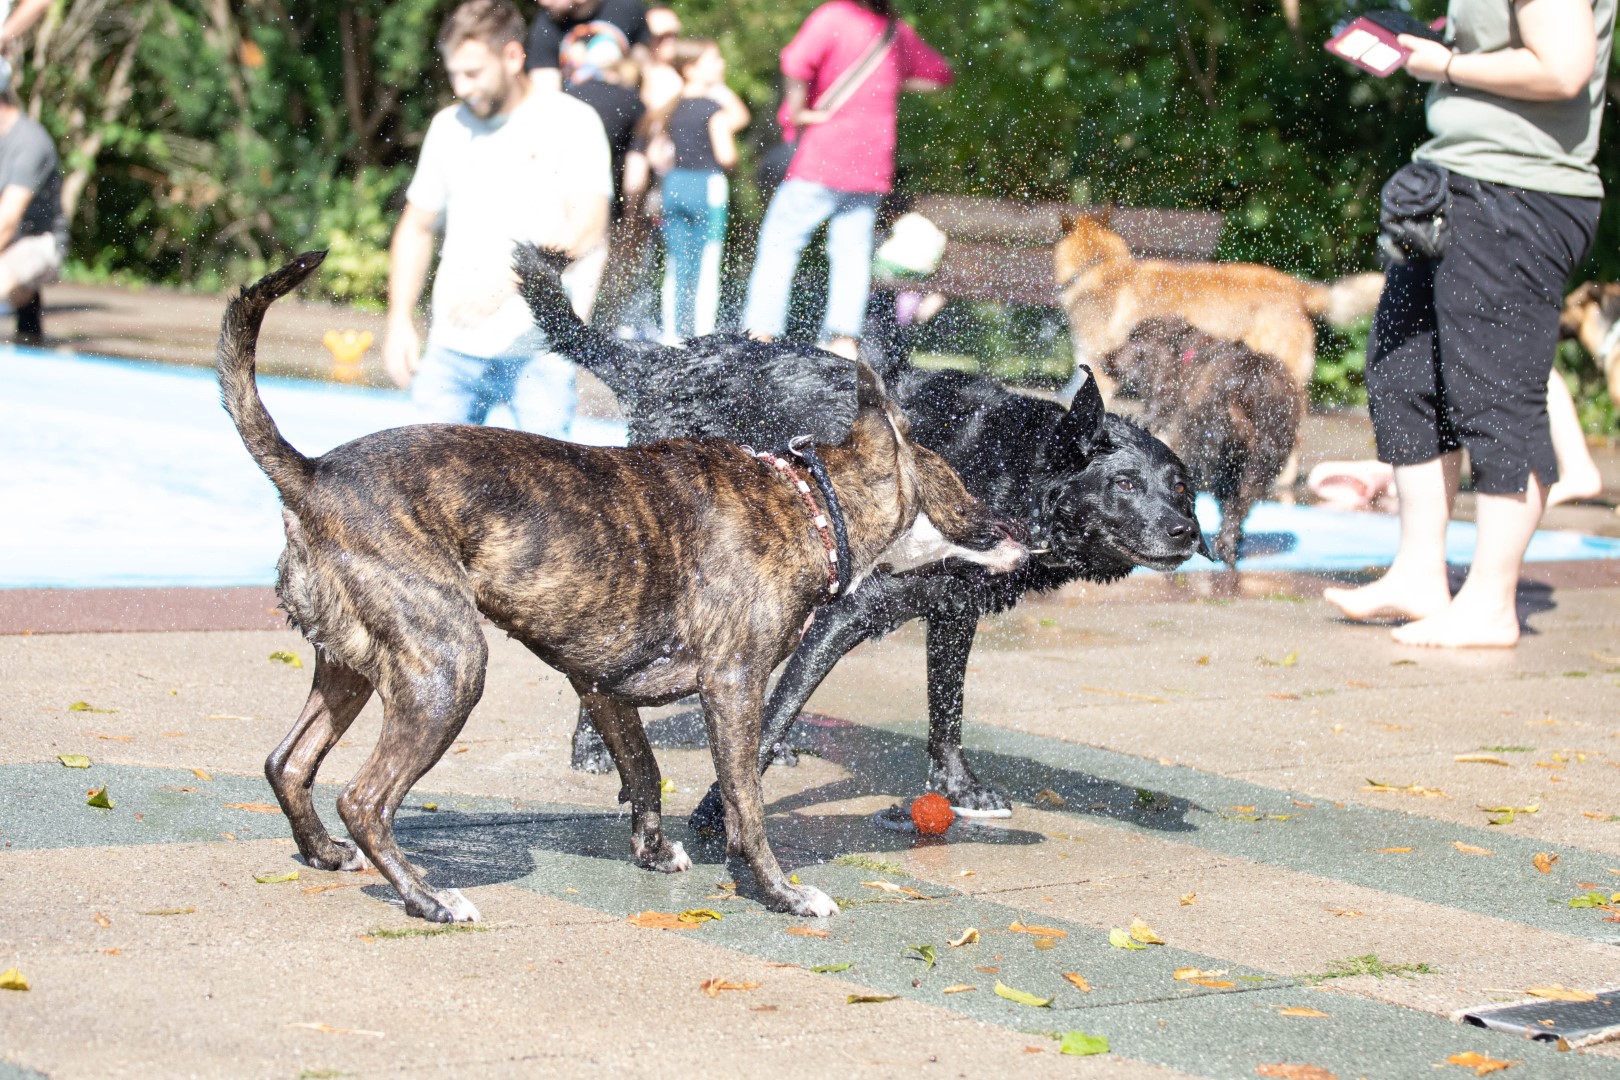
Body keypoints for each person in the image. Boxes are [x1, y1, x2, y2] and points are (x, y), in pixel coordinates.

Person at [1323, 0, 1612, 648]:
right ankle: (1418, 575)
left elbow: (1563, 69)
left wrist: (1446, 64)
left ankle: (1490, 603)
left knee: (1496, 397)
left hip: (1517, 191)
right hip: (1455, 178)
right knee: (1405, 377)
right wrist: (1429, 44)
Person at [383, 0, 612, 437]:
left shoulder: (571, 122)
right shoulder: (448, 127)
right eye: (454, 74)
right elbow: (416, 228)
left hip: (541, 353)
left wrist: (511, 280)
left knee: (547, 484)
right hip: (453, 350)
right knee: (426, 479)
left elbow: (588, 227)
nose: (461, 87)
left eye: (473, 73)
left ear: (512, 56)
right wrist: (399, 321)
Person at [740, 0, 951, 359]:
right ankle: (843, 343)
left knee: (780, 243)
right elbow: (940, 75)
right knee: (851, 253)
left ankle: (761, 336)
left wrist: (797, 110)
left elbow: (794, 62)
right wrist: (894, 80)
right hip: (871, 160)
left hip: (823, 153)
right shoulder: (894, 31)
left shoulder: (834, 17)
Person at [659, 39, 748, 340]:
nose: (720, 64)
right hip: (706, 185)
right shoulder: (712, 108)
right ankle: (701, 337)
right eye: (713, 59)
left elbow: (658, 154)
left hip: (673, 184)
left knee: (677, 262)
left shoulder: (671, 107)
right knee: (707, 262)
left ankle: (671, 336)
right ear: (691, 69)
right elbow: (727, 155)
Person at [0, 54, 65, 344]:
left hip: (39, 241)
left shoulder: (29, 142)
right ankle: (28, 324)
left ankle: (27, 316)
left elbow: (7, 221)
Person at [526, 0, 650, 93]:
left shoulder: (626, 7)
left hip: (627, 106)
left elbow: (647, 71)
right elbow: (546, 93)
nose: (543, 2)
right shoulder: (545, 25)